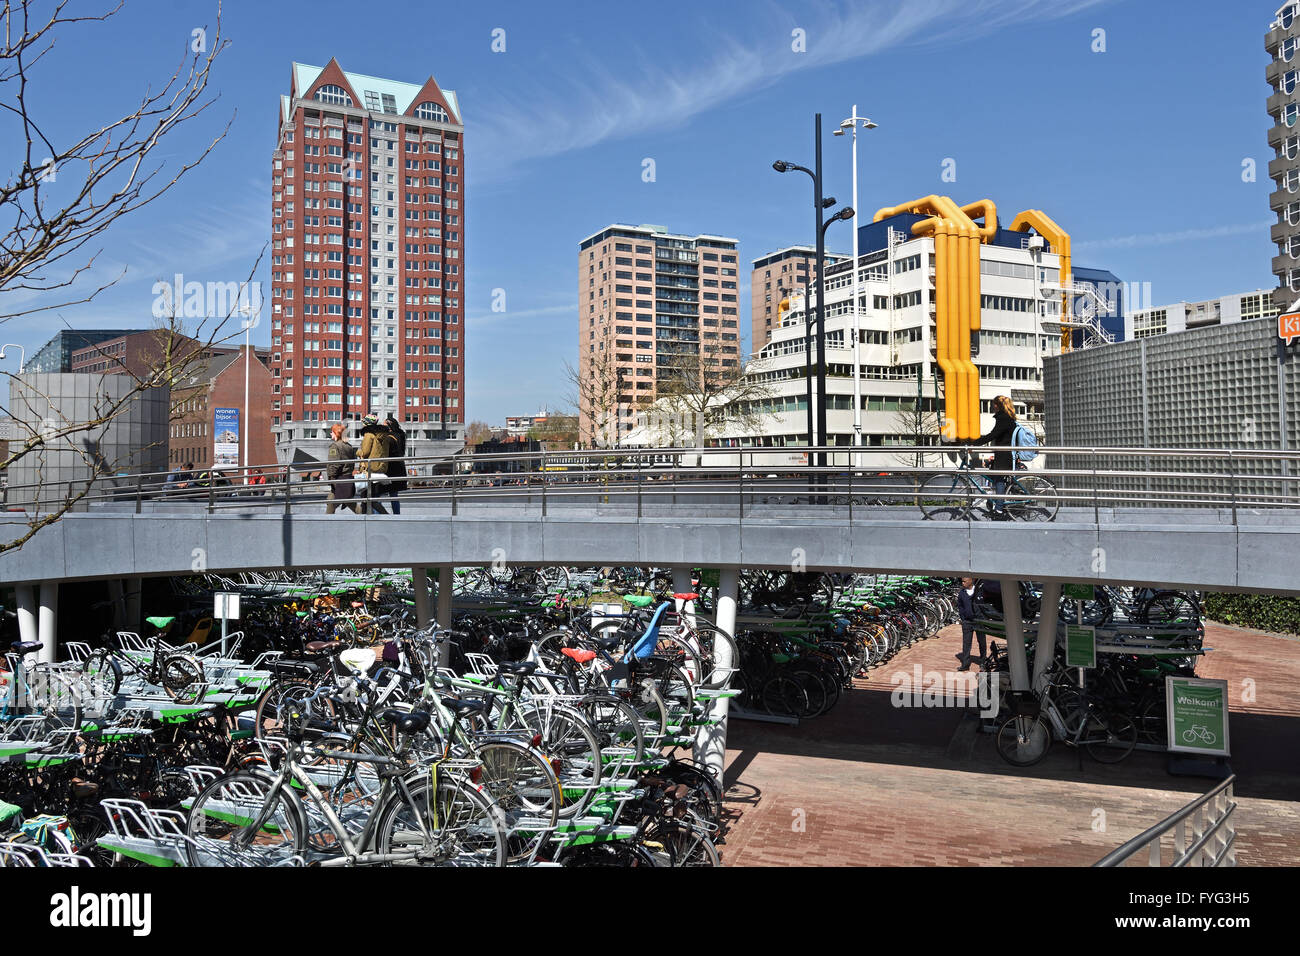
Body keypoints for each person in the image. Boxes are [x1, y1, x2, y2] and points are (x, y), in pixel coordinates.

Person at [971, 394, 1018, 518]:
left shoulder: (1003, 418)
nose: (992, 407)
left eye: (993, 405)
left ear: (997, 405)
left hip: (1004, 454)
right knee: (996, 479)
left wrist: (974, 443)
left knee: (999, 480)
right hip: (1004, 453)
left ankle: (999, 510)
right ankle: (996, 503)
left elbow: (992, 435)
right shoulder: (1007, 417)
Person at [357, 412, 395, 514]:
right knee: (369, 497)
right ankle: (363, 517)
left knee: (367, 497)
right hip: (380, 468)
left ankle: (385, 516)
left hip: (369, 469)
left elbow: (365, 452)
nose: (363, 424)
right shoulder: (385, 435)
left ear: (367, 424)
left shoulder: (369, 434)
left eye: (364, 422)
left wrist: (357, 452)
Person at [955, 576, 987, 671]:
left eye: (965, 581)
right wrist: (963, 618)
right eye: (962, 581)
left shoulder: (979, 591)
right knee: (966, 643)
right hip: (967, 622)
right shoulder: (962, 593)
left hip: (979, 621)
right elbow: (960, 606)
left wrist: (983, 617)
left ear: (971, 580)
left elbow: (984, 604)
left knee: (982, 642)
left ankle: (983, 662)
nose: (962, 583)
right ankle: (965, 664)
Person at [326, 423, 358, 514]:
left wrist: (331, 477)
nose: (330, 434)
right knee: (331, 501)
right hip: (347, 477)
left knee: (350, 503)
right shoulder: (349, 446)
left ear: (337, 433)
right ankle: (326, 521)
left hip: (338, 479)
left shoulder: (335, 446)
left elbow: (334, 464)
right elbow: (352, 463)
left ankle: (366, 517)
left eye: (332, 432)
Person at [384, 414, 407, 516]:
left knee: (376, 493)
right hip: (399, 468)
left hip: (391, 469)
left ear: (389, 426)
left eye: (384, 425)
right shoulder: (399, 435)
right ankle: (397, 514)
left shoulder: (389, 438)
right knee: (394, 494)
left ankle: (379, 513)